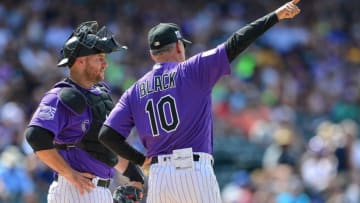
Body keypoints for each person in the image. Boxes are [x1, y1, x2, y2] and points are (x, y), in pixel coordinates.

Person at [99, 1, 301, 202]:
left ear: (153, 55)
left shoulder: (134, 91)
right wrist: (275, 16)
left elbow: (107, 135)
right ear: (179, 46)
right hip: (193, 171)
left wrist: (140, 160)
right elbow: (237, 41)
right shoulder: (191, 70)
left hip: (159, 178)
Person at [24, 21, 144, 203]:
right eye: (100, 58)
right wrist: (69, 174)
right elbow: (36, 136)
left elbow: (102, 145)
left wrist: (135, 177)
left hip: (100, 191)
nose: (105, 64)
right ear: (81, 61)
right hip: (74, 190)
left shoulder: (100, 96)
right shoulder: (60, 96)